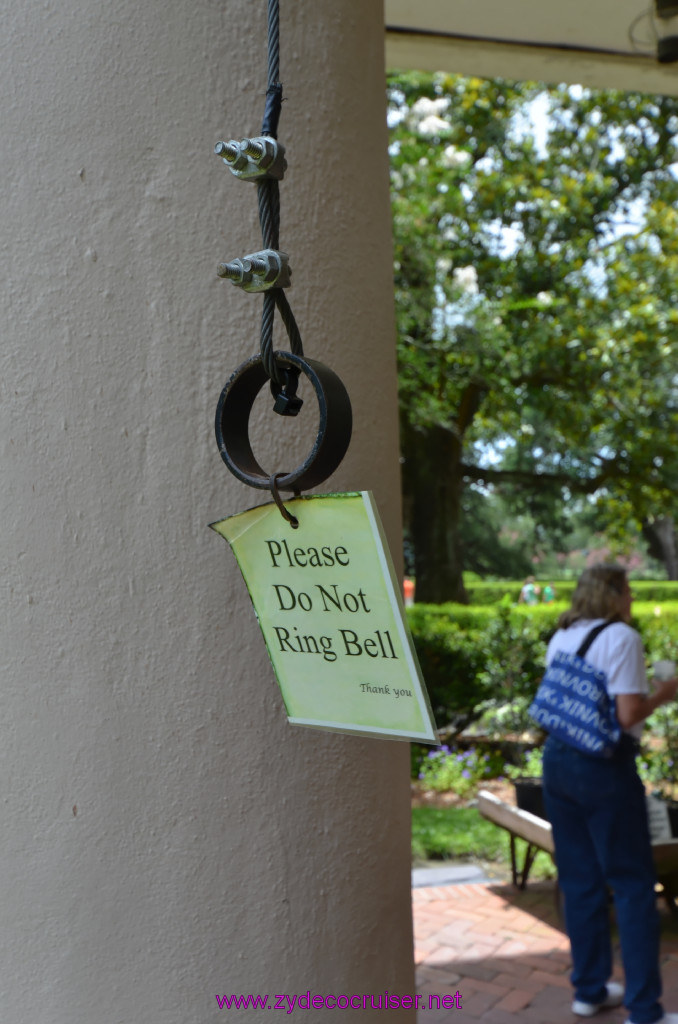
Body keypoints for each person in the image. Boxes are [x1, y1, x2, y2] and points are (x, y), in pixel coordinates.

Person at [541, 564, 678, 1024]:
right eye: (629, 590)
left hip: (556, 762)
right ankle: (644, 1011)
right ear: (615, 593)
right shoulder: (623, 638)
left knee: (580, 881)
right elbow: (626, 715)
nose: (633, 598)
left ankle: (590, 990)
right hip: (603, 766)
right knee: (634, 886)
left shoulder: (563, 635)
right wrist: (666, 693)